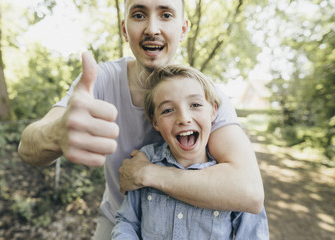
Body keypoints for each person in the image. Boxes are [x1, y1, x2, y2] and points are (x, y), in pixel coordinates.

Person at [18, 0, 264, 238]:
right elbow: (27, 148)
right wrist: (56, 134)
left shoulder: (205, 97)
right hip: (122, 219)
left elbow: (250, 193)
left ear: (182, 29)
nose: (152, 29)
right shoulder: (101, 81)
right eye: (139, 14)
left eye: (166, 14)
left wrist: (147, 175)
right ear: (125, 29)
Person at [111, 64, 269, 239]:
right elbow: (127, 222)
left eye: (195, 104)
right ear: (155, 122)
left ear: (213, 112)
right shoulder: (145, 159)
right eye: (168, 110)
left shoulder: (233, 180)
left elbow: (252, 234)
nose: (184, 118)